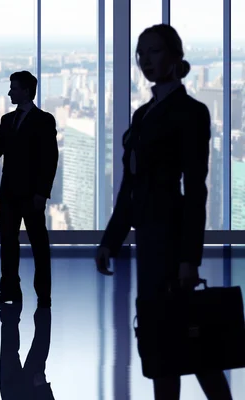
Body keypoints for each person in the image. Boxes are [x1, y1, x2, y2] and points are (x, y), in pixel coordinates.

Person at [95, 24, 233, 400]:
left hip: (172, 238)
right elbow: (131, 185)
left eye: (154, 51)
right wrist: (111, 239)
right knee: (163, 337)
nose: (145, 60)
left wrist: (190, 258)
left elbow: (196, 188)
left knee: (187, 334)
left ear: (175, 57)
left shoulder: (191, 112)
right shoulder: (143, 116)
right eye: (141, 52)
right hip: (151, 242)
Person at [0, 71, 58, 308]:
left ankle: (43, 296)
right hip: (9, 193)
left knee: (38, 245)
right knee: (8, 242)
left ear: (26, 91)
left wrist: (41, 193)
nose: (9, 92)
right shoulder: (7, 120)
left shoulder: (44, 120)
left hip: (32, 194)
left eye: (13, 88)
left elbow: (50, 159)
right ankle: (9, 291)